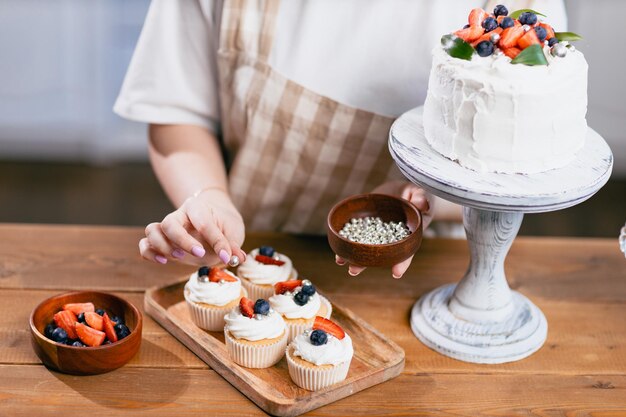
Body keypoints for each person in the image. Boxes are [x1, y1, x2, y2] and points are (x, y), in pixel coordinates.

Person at [114, 0, 567, 278]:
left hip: (427, 271)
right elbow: (176, 111)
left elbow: (520, 156)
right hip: (247, 256)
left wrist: (434, 197)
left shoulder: (516, 24)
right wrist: (209, 199)